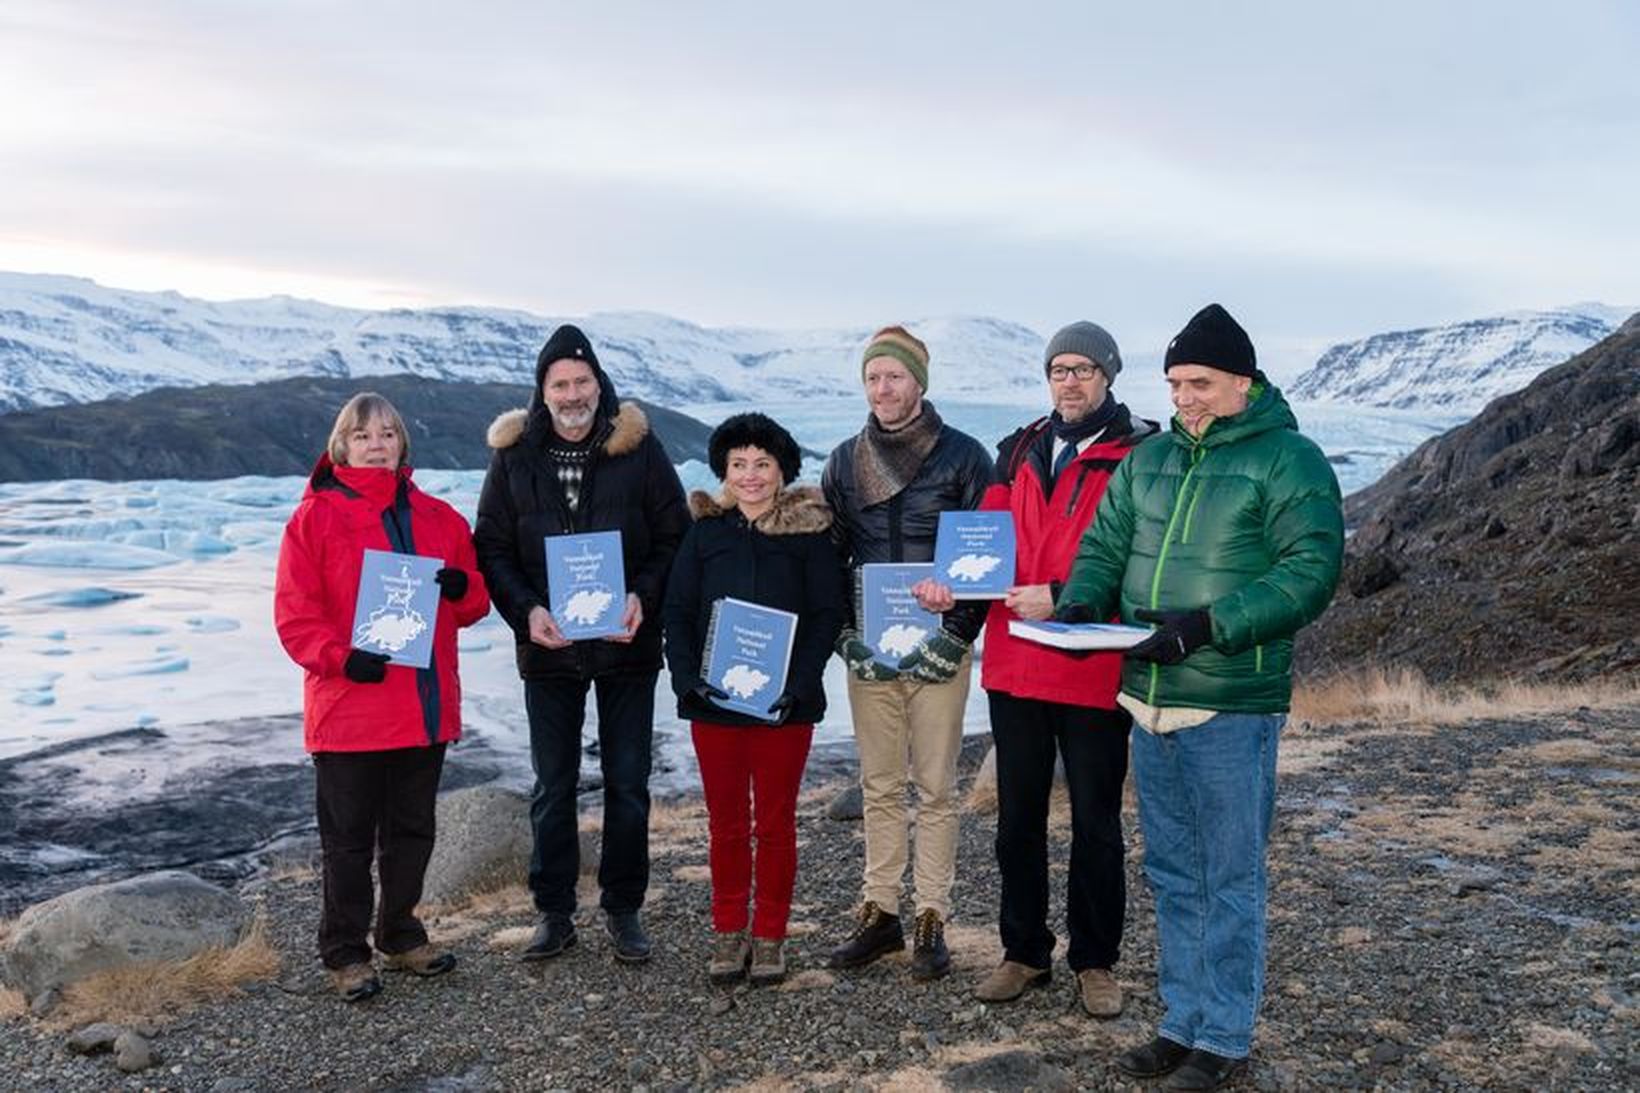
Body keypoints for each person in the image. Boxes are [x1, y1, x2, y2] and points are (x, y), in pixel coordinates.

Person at [1057, 304, 1343, 1091]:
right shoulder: (1148, 459)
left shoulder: (1291, 460)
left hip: (1229, 703)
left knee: (1230, 876)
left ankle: (1225, 1036)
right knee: (1174, 874)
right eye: (1177, 382)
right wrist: (1083, 601)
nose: (1185, 397)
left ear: (1243, 382)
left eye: (1202, 383)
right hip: (1148, 699)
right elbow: (1107, 543)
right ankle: (1180, 1023)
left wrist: (1207, 625)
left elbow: (1309, 572)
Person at [913, 321, 1154, 1016]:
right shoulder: (1017, 449)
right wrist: (949, 585)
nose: (1069, 380)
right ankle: (1023, 952)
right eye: (1059, 369)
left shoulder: (1138, 452)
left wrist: (1067, 595)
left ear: (1108, 375)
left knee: (1097, 823)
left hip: (1092, 664)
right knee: (1016, 819)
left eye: (1083, 368)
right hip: (1016, 663)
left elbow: (1144, 558)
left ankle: (1095, 960)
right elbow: (983, 544)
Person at [474, 324, 688, 965]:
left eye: (582, 381)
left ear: (600, 385)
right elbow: (492, 545)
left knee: (628, 781)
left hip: (626, 642)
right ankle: (554, 912)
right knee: (553, 783)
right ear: (543, 392)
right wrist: (526, 610)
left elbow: (673, 536)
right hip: (549, 647)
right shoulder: (514, 458)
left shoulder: (638, 450)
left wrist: (641, 598)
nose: (572, 394)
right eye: (559, 384)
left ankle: (624, 909)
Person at [274, 392, 490, 1002]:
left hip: (421, 708)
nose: (377, 443)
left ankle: (400, 935)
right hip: (350, 709)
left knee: (412, 832)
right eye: (364, 434)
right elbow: (295, 617)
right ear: (341, 445)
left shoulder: (440, 518)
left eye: (388, 433)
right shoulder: (313, 518)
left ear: (402, 445)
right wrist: (343, 659)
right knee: (346, 842)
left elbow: (475, 605)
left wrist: (459, 586)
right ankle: (345, 953)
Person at [820, 324, 995, 980]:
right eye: (873, 377)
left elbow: (983, 556)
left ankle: (931, 916)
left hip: (939, 646)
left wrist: (959, 632)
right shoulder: (842, 460)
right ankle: (881, 912)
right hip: (872, 647)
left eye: (894, 375)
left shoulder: (965, 457)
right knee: (881, 783)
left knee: (937, 785)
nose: (883, 388)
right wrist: (843, 635)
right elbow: (830, 554)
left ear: (919, 381)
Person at [662, 413, 846, 986]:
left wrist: (797, 685)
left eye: (762, 464)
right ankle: (727, 930)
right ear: (723, 470)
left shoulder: (810, 536)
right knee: (725, 824)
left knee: (775, 823)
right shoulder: (705, 533)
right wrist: (686, 678)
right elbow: (678, 611)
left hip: (782, 708)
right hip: (714, 703)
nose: (749, 475)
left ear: (783, 471)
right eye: (738, 464)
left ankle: (769, 934)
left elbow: (825, 616)